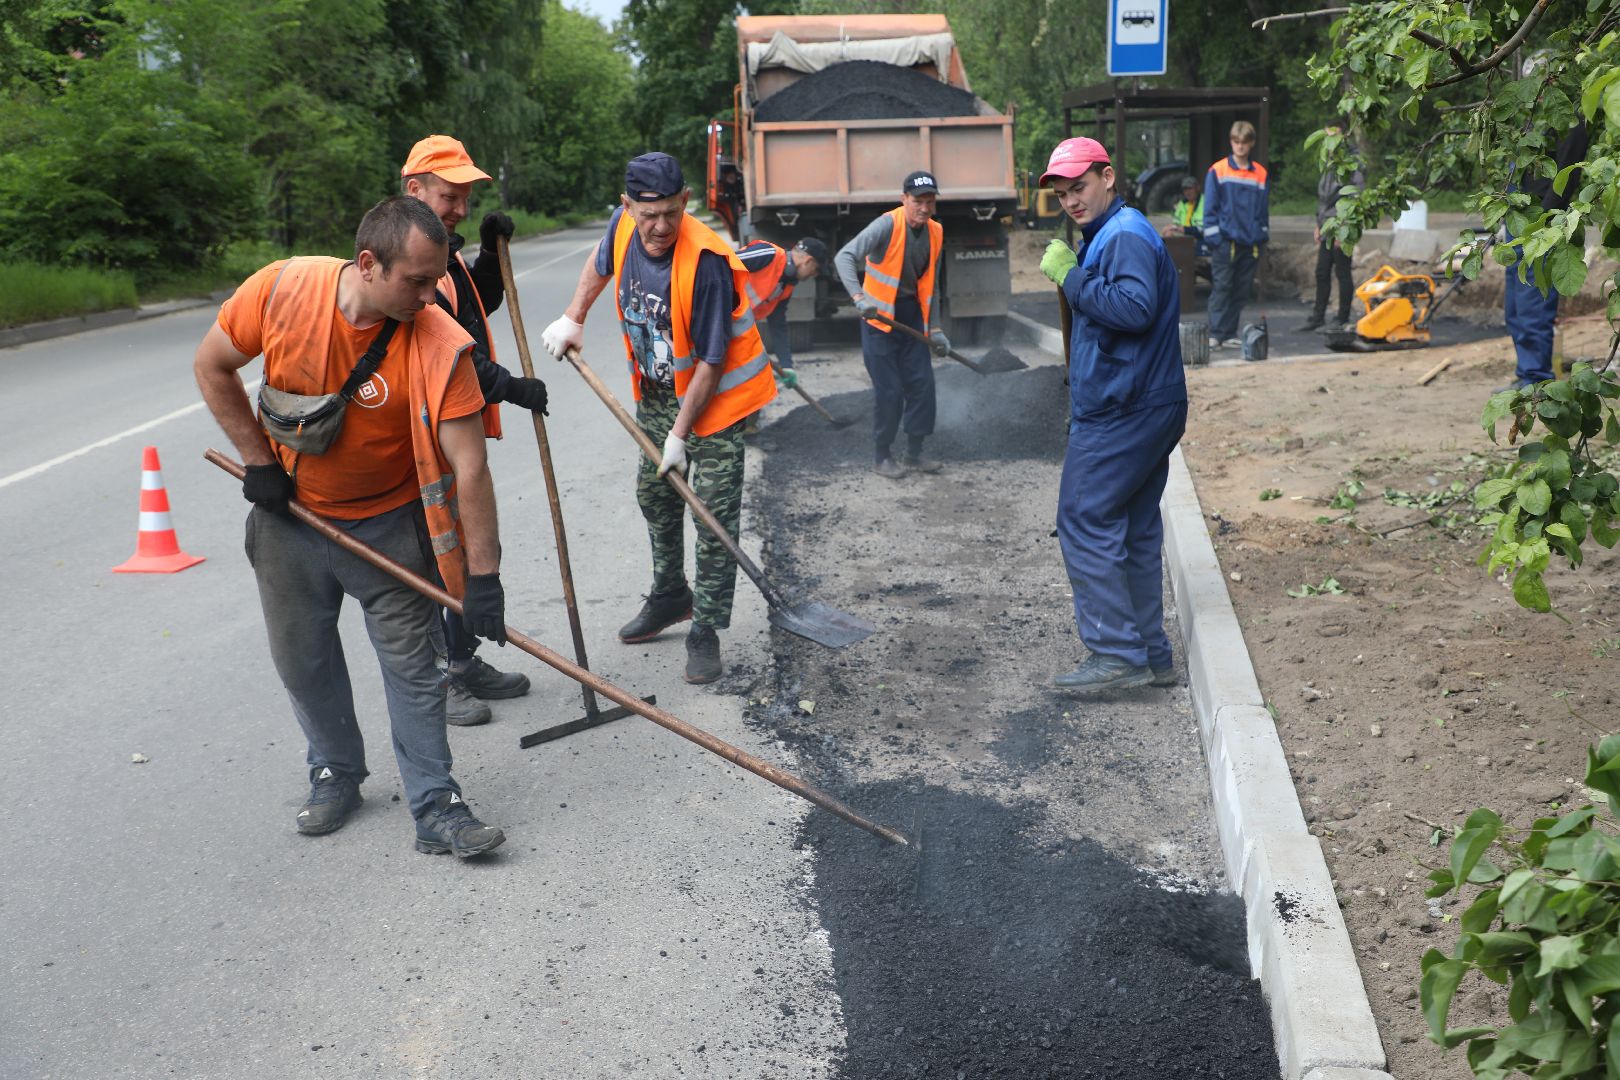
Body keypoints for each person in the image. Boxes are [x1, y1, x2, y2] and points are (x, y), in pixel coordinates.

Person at [193, 196, 508, 858]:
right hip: (291, 522)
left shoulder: (439, 341)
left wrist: (484, 577)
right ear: (367, 264)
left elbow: (470, 468)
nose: (429, 296)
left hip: (392, 527)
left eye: (436, 280)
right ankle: (335, 771)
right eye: (415, 281)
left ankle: (436, 804)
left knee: (414, 670)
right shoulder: (283, 291)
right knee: (303, 661)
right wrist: (258, 462)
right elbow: (212, 365)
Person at [539, 153, 776, 685]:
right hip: (658, 392)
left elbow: (713, 361)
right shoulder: (623, 226)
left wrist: (678, 436)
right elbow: (601, 263)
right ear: (628, 207)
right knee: (655, 494)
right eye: (649, 215)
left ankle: (706, 631)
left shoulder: (707, 260)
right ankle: (671, 595)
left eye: (671, 212)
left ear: (685, 202)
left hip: (717, 404)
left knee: (713, 520)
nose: (661, 226)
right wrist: (573, 317)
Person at [1036, 137, 1189, 694]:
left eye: (1079, 187)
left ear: (1108, 175)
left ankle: (1117, 653)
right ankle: (1151, 653)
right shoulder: (1115, 230)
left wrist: (1072, 278)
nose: (1070, 201)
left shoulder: (1123, 235)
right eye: (1062, 193)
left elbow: (1134, 308)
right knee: (1137, 527)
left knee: (1084, 517)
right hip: (1148, 400)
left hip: (1124, 406)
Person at [401, 134, 544, 724]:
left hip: (451, 428)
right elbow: (447, 347)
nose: (459, 207)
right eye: (448, 195)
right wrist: (509, 386)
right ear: (414, 191)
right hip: (422, 435)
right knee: (432, 556)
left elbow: (470, 307)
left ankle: (462, 659)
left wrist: (485, 253)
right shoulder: (407, 260)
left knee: (454, 548)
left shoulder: (443, 250)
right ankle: (438, 676)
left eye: (464, 197)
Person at [833, 171, 952, 479]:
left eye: (929, 201)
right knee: (890, 390)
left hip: (912, 315)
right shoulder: (887, 224)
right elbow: (844, 256)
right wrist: (859, 298)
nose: (924, 208)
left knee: (922, 385)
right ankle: (881, 456)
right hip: (878, 319)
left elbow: (933, 285)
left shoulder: (936, 232)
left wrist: (936, 329)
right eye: (917, 201)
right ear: (904, 200)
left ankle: (914, 454)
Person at [1503, 119, 1589, 387]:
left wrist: (1546, 218)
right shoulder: (1530, 110)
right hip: (1517, 210)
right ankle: (1525, 374)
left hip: (1540, 214)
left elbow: (1569, 168)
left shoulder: (1570, 115)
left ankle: (1535, 380)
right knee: (1515, 307)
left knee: (1532, 305)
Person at [1202, 120, 1269, 351]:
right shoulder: (1218, 170)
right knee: (1222, 287)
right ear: (1232, 142)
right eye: (1236, 142)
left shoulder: (1260, 173)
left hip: (1250, 244)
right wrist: (1216, 240)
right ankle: (1216, 334)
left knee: (1241, 290)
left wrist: (1261, 237)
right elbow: (1209, 209)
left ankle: (1228, 333)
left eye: (1244, 142)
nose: (1240, 146)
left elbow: (1263, 211)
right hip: (1225, 242)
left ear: (1251, 143)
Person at [734, 236, 830, 384]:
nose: (814, 275)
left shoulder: (785, 287)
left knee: (751, 380)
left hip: (730, 328)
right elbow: (720, 263)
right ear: (808, 261)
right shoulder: (768, 254)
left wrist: (787, 365)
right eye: (816, 270)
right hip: (706, 314)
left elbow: (778, 325)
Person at [1304, 129, 1364, 332]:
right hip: (1326, 227)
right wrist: (1318, 224)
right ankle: (1318, 316)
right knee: (1321, 272)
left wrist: (1345, 229)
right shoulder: (1329, 163)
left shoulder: (1352, 165)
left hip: (1342, 228)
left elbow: (1355, 198)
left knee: (1342, 272)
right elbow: (1323, 199)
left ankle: (1342, 317)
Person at [1159, 175, 1203, 245]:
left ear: (1197, 188)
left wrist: (1178, 228)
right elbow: (1176, 223)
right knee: (1168, 233)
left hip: (1199, 235)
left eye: (1190, 188)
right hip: (1184, 234)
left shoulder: (1205, 202)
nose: (1187, 192)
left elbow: (1202, 229)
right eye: (1185, 189)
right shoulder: (1182, 203)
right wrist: (1171, 227)